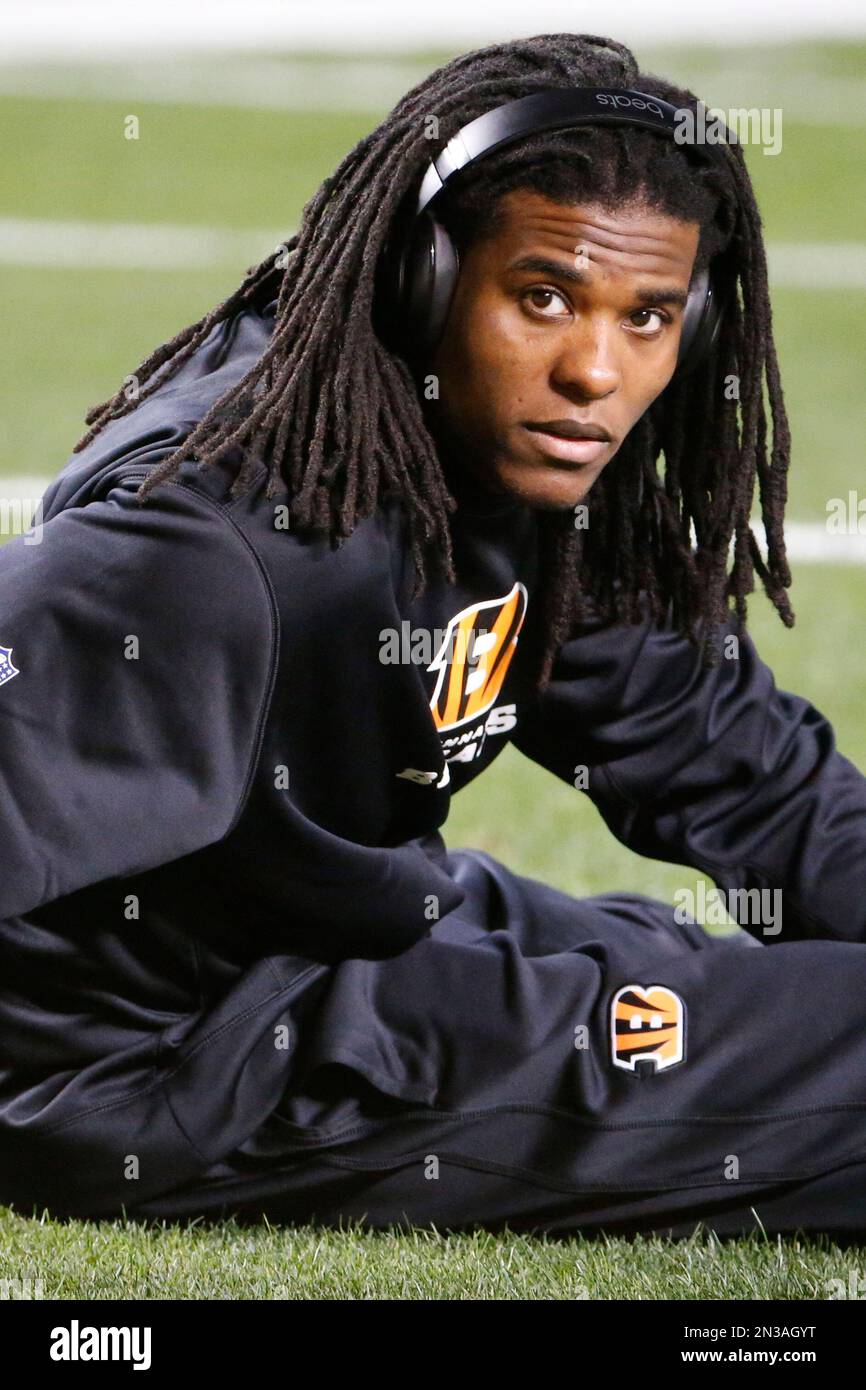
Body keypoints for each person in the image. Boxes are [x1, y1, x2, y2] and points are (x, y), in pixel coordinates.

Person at [2, 32, 866, 1241]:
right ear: (422, 277)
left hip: (341, 942)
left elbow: (736, 767)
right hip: (173, 1067)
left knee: (729, 968)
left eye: (649, 316)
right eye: (544, 297)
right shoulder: (221, 545)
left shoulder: (514, 464)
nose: (594, 370)